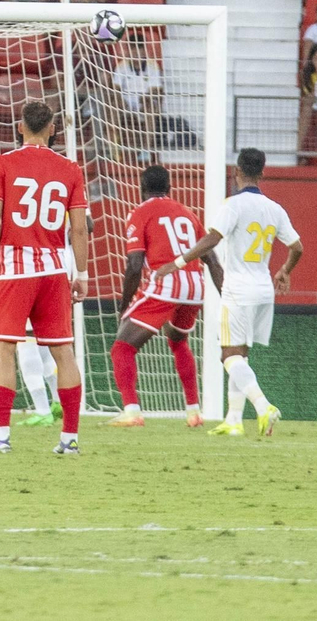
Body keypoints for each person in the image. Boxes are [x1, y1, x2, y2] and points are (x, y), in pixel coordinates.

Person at [0, 101, 87, 455]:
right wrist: (82, 274)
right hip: (53, 268)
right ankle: (69, 439)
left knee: (3, 350)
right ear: (52, 129)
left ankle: (0, 436)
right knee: (64, 352)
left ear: (20, 127)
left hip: (15, 268)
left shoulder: (2, 163)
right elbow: (78, 229)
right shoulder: (70, 168)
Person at [156, 148, 302, 436]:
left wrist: (177, 262)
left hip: (238, 289)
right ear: (262, 173)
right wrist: (284, 270)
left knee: (228, 356)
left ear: (237, 172)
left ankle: (264, 407)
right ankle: (233, 420)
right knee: (241, 355)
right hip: (263, 290)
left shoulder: (233, 205)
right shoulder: (275, 208)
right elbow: (297, 247)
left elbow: (212, 238)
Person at [104, 164, 215, 428]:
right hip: (195, 285)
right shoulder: (188, 213)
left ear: (142, 189)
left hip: (167, 282)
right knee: (178, 342)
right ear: (170, 188)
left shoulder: (140, 213)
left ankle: (131, 411)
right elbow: (211, 259)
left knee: (122, 348)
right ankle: (193, 412)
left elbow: (134, 266)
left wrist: (124, 306)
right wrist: (224, 297)